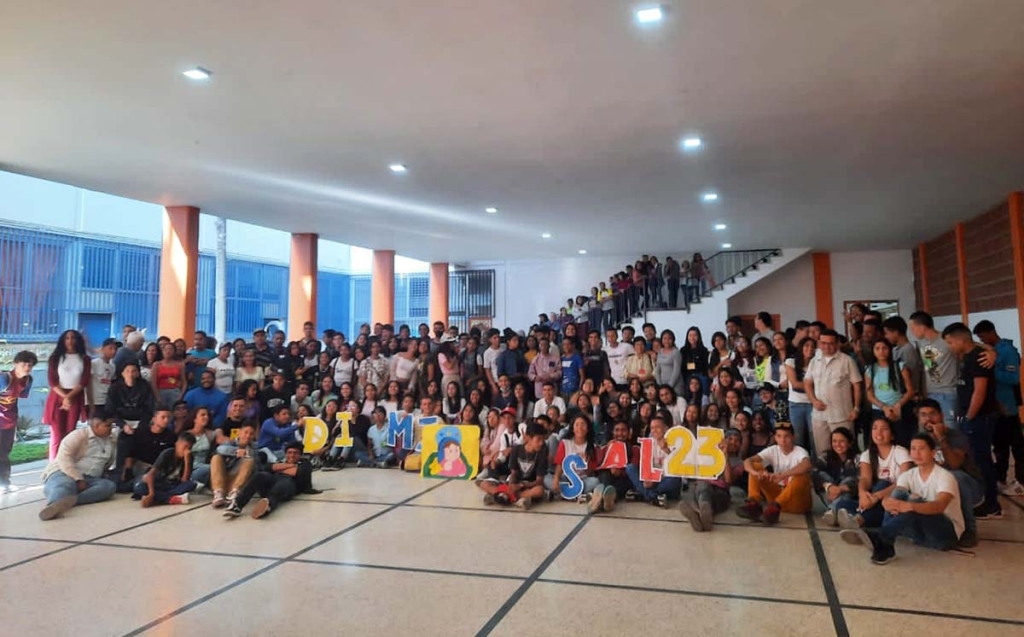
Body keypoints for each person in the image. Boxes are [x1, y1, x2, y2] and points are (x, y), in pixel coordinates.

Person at [840, 433, 964, 565]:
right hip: (918, 537)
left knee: (913, 503)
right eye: (913, 449)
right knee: (899, 496)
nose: (917, 453)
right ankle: (885, 544)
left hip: (945, 536)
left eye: (921, 449)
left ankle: (881, 537)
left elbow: (939, 506)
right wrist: (888, 503)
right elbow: (895, 497)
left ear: (933, 453)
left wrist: (910, 506)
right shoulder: (908, 475)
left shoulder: (945, 477)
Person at [942, 322, 1002, 519]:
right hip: (971, 416)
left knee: (983, 460)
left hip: (980, 417)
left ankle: (992, 504)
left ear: (960, 340)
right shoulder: (968, 356)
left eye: (950, 342)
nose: (950, 346)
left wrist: (969, 416)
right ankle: (985, 500)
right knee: (977, 459)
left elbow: (980, 391)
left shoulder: (978, 357)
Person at [918, 398, 984, 547]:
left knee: (955, 476)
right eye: (923, 415)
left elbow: (955, 464)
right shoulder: (920, 440)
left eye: (932, 414)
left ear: (941, 416)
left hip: (969, 488)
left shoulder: (957, 436)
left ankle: (969, 530)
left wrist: (941, 438)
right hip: (938, 486)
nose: (928, 419)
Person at [972, 320, 1024, 497]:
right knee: (1000, 446)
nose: (982, 341)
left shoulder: (1007, 351)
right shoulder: (991, 352)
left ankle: (1021, 482)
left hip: (1007, 406)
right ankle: (1000, 478)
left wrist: (992, 370)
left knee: (1017, 445)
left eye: (983, 337)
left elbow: (1013, 378)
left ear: (991, 333)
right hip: (995, 407)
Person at [39, 416, 117, 521]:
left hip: (90, 478)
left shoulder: (112, 439)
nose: (111, 428)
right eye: (108, 425)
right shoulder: (78, 435)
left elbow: (107, 463)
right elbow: (64, 459)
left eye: (112, 425)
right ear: (96, 426)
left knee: (108, 486)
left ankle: (70, 500)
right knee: (65, 484)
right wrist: (78, 478)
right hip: (64, 472)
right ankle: (53, 506)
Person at [804, 329, 863, 458]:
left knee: (846, 451)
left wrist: (856, 408)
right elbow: (807, 383)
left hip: (841, 415)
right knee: (822, 453)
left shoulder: (847, 360)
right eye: (823, 343)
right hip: (819, 416)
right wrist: (814, 401)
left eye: (830, 343)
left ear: (837, 343)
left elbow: (857, 385)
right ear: (819, 343)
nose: (826, 346)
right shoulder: (814, 361)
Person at [738, 422, 813, 524]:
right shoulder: (773, 450)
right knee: (756, 466)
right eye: (779, 436)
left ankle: (775, 507)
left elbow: (807, 465)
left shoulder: (800, 451)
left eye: (786, 436)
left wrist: (783, 475)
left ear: (793, 437)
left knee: (802, 476)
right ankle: (754, 504)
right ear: (775, 438)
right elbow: (748, 461)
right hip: (776, 501)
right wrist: (755, 473)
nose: (783, 440)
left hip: (797, 502)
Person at [229, 442, 320, 519]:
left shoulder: (306, 464)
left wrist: (278, 468)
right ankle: (237, 505)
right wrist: (291, 465)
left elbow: (296, 472)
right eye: (289, 453)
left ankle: (268, 504)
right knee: (260, 475)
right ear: (286, 454)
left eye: (295, 453)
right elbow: (268, 467)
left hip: (289, 486)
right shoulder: (281, 461)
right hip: (271, 483)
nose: (292, 455)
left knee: (284, 483)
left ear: (300, 455)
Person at [679, 427, 745, 532]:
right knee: (704, 488)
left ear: (740, 445)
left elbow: (728, 480)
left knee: (715, 497)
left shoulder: (740, 463)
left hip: (721, 491)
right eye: (730, 439)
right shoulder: (709, 455)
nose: (733, 442)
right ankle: (705, 512)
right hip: (702, 487)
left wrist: (725, 455)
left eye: (737, 441)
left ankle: (700, 515)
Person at [43, 330, 92, 460]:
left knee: (70, 433)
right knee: (57, 434)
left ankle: (66, 462)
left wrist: (69, 397)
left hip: (75, 397)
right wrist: (65, 397)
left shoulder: (85, 359)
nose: (70, 341)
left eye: (73, 338)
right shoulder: (55, 358)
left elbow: (84, 381)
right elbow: (52, 381)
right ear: (63, 341)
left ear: (78, 340)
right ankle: (54, 465)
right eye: (67, 338)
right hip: (57, 396)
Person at [479, 423, 550, 510]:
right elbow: (513, 473)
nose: (541, 443)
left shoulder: (542, 453)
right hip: (516, 482)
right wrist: (511, 486)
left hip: (529, 485)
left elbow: (539, 481)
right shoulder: (516, 450)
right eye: (538, 439)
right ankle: (514, 497)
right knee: (483, 484)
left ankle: (504, 496)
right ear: (528, 438)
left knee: (539, 490)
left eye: (543, 439)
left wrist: (520, 485)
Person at [910, 311, 960, 423]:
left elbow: (969, 344)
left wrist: (990, 351)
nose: (912, 332)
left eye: (913, 328)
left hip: (947, 392)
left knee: (949, 425)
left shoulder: (945, 339)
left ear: (922, 327)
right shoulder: (921, 343)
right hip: (930, 393)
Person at [0, 351, 38, 492]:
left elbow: (15, 401)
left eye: (30, 365)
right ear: (16, 364)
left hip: (9, 421)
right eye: (24, 364)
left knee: (4, 452)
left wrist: (14, 423)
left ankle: (4, 483)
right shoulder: (4, 379)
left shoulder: (27, 381)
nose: (27, 368)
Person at [625, 415, 682, 507]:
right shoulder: (648, 443)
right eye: (652, 428)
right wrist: (647, 478)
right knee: (630, 468)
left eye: (657, 427)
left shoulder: (675, 442)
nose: (654, 430)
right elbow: (646, 466)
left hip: (665, 481)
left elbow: (676, 468)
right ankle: (654, 497)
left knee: (675, 479)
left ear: (666, 428)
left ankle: (645, 495)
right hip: (651, 480)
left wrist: (666, 450)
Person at [813, 427, 861, 527]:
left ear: (850, 443)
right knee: (821, 474)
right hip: (830, 493)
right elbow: (814, 472)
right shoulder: (826, 455)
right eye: (834, 441)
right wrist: (829, 486)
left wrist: (840, 489)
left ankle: (832, 510)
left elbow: (861, 479)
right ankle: (837, 511)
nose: (837, 444)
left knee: (849, 479)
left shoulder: (857, 458)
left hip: (848, 492)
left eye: (842, 441)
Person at [133, 432, 196, 506]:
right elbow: (151, 474)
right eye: (185, 446)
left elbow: (184, 480)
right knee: (139, 487)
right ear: (177, 444)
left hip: (172, 485)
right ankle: (170, 499)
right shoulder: (167, 453)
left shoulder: (189, 457)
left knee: (191, 485)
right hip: (159, 482)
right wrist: (151, 493)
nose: (187, 450)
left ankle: (158, 499)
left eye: (189, 448)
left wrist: (187, 461)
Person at [211, 421, 258, 512]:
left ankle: (235, 493)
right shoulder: (230, 442)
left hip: (239, 481)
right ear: (239, 432)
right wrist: (236, 451)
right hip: (223, 478)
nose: (248, 436)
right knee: (216, 457)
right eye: (245, 432)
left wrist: (247, 453)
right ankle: (218, 493)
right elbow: (220, 449)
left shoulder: (255, 447)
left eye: (251, 434)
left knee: (249, 460)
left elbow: (256, 466)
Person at [89, 338, 117, 418]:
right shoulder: (94, 364)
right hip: (96, 401)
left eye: (115, 349)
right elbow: (88, 384)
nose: (113, 351)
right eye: (110, 348)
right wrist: (90, 403)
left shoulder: (112, 366)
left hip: (106, 401)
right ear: (103, 349)